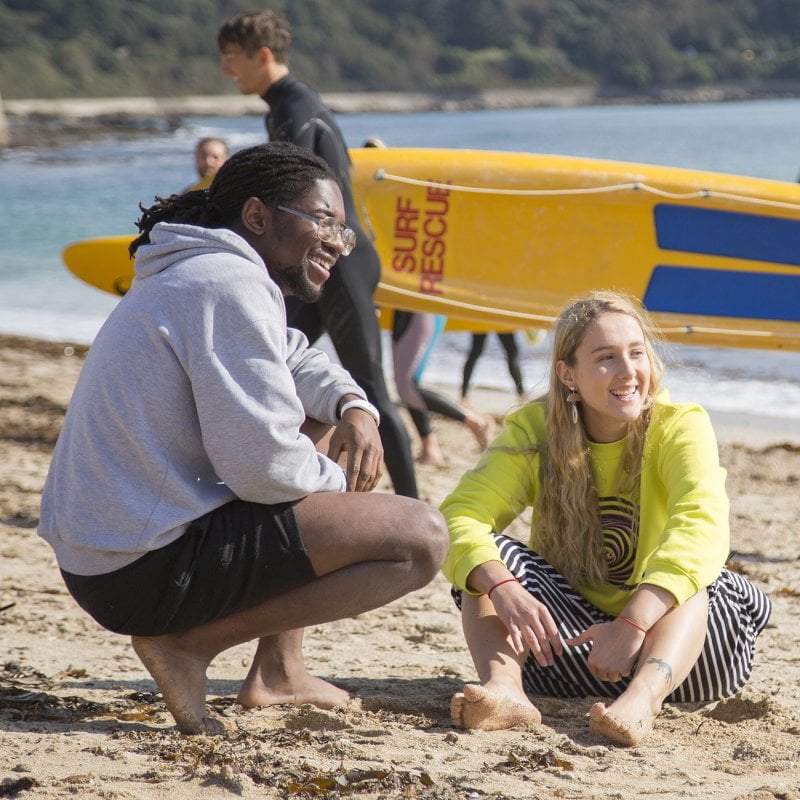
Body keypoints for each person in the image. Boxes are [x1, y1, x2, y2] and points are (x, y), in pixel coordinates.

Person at [38, 142, 449, 736]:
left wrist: (356, 406)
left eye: (344, 229)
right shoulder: (224, 283)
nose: (337, 241)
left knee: (324, 420)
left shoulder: (207, 270)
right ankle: (188, 646)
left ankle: (280, 670)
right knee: (419, 540)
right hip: (138, 569)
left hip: (109, 555)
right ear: (258, 216)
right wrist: (345, 495)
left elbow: (297, 356)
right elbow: (265, 473)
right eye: (323, 221)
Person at [440, 290, 771, 747]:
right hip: (570, 653)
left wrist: (632, 624)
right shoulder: (535, 429)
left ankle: (642, 703)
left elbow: (702, 525)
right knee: (482, 560)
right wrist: (503, 586)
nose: (628, 371)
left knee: (699, 575)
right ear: (568, 374)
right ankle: (506, 690)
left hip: (688, 661)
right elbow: (460, 515)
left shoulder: (680, 425)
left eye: (636, 353)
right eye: (606, 358)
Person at [218, 10, 418, 498]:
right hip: (313, 264)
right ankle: (279, 480)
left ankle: (414, 504)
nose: (227, 71)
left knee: (370, 388)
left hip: (339, 263)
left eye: (232, 59)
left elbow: (285, 185)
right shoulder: (285, 105)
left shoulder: (294, 105)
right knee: (273, 365)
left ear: (262, 56)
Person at [392, 310, 494, 466]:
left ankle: (476, 422)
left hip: (421, 308)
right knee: (410, 385)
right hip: (410, 309)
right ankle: (430, 449)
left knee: (407, 388)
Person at [461, 331, 525, 401]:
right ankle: (522, 396)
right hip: (501, 321)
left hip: (482, 320)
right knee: (512, 352)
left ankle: (463, 397)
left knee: (475, 351)